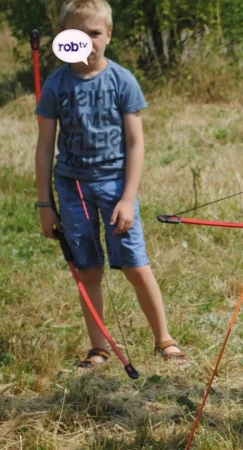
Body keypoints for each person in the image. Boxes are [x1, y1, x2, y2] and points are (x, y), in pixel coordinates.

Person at [34, 0, 187, 369]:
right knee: (88, 270)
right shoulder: (55, 86)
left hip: (116, 187)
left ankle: (164, 338)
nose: (86, 42)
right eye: (76, 35)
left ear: (109, 35)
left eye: (95, 34)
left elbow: (135, 143)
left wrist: (127, 197)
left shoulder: (122, 81)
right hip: (72, 189)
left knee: (135, 266)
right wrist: (45, 204)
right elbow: (44, 148)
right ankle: (98, 347)